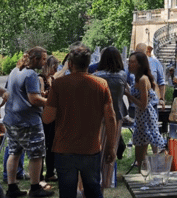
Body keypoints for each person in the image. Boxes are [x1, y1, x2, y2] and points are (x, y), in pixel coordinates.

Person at [43, 46, 117, 198]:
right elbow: (110, 118)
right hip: (91, 148)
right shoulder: (101, 84)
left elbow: (47, 117)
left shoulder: (59, 84)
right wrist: (111, 146)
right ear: (88, 63)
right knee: (93, 191)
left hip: (64, 148)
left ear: (70, 64)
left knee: (67, 192)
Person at [3, 47, 52, 198]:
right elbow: (34, 99)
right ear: (35, 59)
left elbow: (10, 92)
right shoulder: (31, 74)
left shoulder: (14, 71)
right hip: (28, 121)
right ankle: (35, 188)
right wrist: (50, 102)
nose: (45, 62)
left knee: (14, 152)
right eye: (43, 59)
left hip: (11, 119)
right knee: (36, 154)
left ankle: (12, 188)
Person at [93, 47, 128, 189]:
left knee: (97, 150)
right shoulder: (122, 75)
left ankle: (95, 181)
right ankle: (107, 182)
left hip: (99, 116)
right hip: (117, 116)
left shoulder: (97, 76)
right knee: (111, 148)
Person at [124, 51, 166, 166]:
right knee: (139, 157)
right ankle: (144, 174)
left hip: (146, 118)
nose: (129, 64)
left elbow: (143, 104)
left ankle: (155, 170)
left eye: (132, 62)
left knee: (142, 154)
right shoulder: (136, 78)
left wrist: (128, 95)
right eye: (129, 61)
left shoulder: (143, 79)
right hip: (141, 118)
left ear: (140, 64)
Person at [39, 55, 59, 184]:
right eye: (55, 68)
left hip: (53, 115)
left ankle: (50, 172)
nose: (56, 71)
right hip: (43, 114)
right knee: (43, 145)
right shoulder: (40, 78)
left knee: (52, 144)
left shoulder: (53, 78)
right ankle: (39, 174)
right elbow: (41, 94)